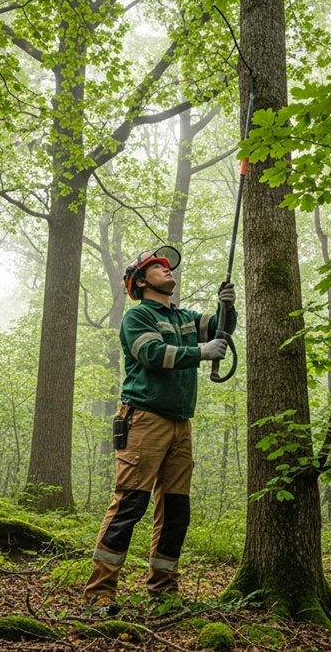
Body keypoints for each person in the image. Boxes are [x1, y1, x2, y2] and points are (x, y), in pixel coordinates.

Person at [84, 246, 237, 618]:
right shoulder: (137, 318)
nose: (166, 270)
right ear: (140, 281)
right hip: (145, 419)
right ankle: (99, 593)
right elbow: (152, 354)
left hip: (181, 424)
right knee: (130, 504)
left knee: (176, 512)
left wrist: (227, 308)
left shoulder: (184, 317)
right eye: (157, 267)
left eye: (167, 267)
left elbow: (219, 330)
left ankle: (164, 592)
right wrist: (202, 351)